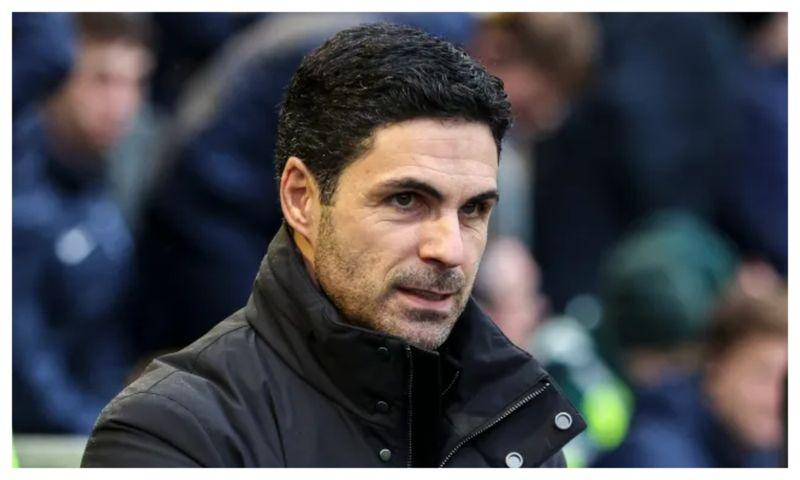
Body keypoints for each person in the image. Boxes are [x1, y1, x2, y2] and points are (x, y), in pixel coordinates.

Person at [81, 23, 585, 468]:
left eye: (473, 209)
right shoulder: (171, 432)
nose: (448, 249)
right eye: (406, 199)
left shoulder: (515, 421)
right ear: (301, 198)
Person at [13, 13, 154, 434]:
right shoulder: (22, 193)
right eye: (102, 80)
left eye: (135, 82)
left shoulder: (113, 174)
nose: (121, 104)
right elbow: (22, 365)